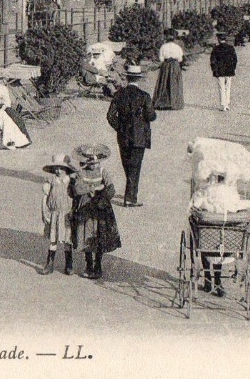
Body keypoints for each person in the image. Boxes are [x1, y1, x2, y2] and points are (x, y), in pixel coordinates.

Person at [106, 65, 157, 207]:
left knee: (127, 165)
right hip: (139, 136)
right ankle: (130, 198)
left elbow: (110, 116)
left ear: (127, 78)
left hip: (123, 136)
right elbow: (151, 116)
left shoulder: (119, 95)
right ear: (139, 79)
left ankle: (130, 194)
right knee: (135, 167)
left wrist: (120, 128)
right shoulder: (144, 96)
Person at [71, 146, 122, 279]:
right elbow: (77, 189)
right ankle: (88, 264)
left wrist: (103, 197)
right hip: (85, 208)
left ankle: (98, 265)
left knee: (99, 235)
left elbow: (111, 189)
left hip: (100, 208)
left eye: (96, 163)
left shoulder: (102, 171)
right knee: (86, 234)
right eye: (91, 163)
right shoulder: (81, 173)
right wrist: (95, 187)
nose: (94, 165)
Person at [40, 154, 76, 275]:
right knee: (53, 239)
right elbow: (45, 198)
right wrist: (44, 212)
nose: (58, 170)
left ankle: (69, 264)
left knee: (67, 240)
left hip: (66, 214)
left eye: (61, 168)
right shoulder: (50, 181)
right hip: (54, 214)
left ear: (66, 169)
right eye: (56, 168)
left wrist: (73, 212)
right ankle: (49, 264)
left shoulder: (71, 182)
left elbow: (75, 199)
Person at [153, 29, 185, 110]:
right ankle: (174, 102)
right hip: (175, 65)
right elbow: (180, 59)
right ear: (174, 38)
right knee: (174, 82)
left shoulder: (163, 47)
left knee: (164, 82)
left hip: (166, 65)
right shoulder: (178, 47)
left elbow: (161, 59)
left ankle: (163, 102)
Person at [209, 31, 238, 112]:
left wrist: (214, 70)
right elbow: (235, 60)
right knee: (228, 87)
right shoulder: (230, 48)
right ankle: (227, 104)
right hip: (229, 71)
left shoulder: (216, 49)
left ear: (218, 39)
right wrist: (233, 68)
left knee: (221, 88)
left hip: (220, 71)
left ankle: (223, 105)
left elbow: (213, 61)